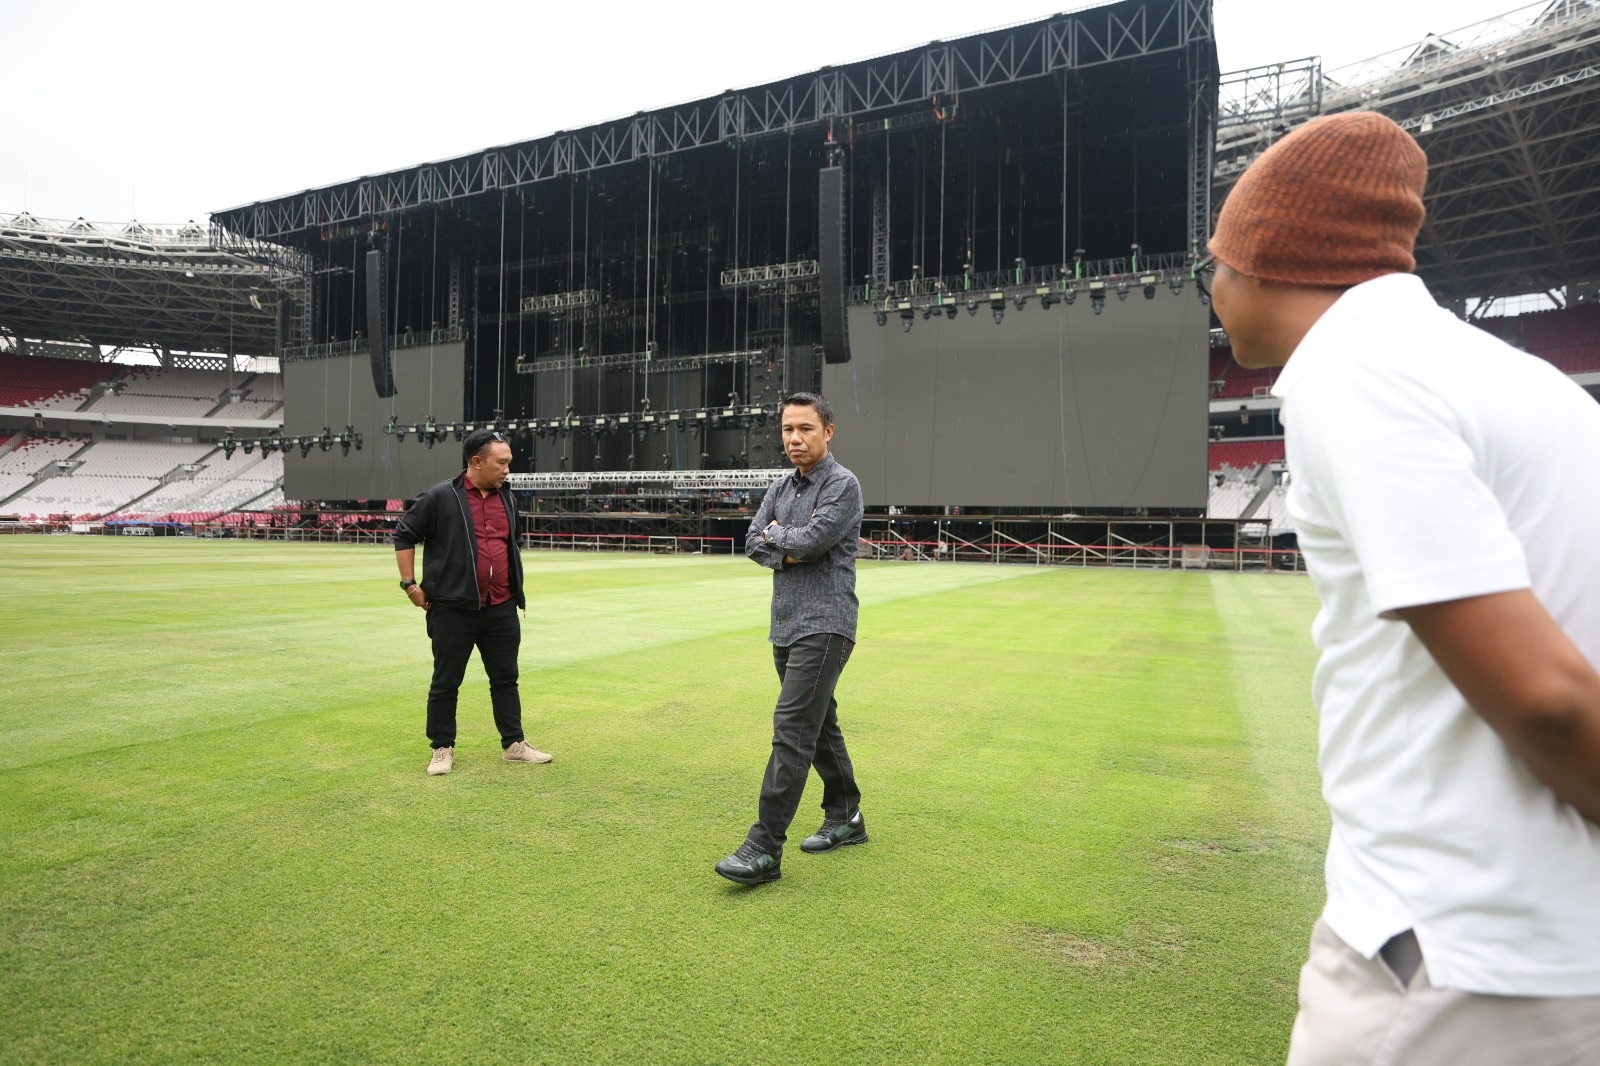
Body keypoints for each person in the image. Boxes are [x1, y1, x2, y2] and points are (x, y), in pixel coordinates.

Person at [1201, 111, 1600, 1064]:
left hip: (1450, 953)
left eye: (1215, 263)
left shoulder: (1357, 375)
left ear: (1266, 258)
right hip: (1548, 939)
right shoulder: (1527, 381)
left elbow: (1546, 699)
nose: (1211, 290)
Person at [714, 392, 868, 885]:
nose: (794, 439)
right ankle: (847, 815)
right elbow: (752, 541)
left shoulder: (842, 484)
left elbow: (811, 541)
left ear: (828, 431)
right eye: (787, 430)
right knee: (819, 726)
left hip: (827, 624)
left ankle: (764, 847)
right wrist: (784, 540)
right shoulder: (781, 486)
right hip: (786, 624)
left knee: (792, 729)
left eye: (805, 428)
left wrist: (781, 538)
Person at [393, 428, 553, 776]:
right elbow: (404, 533)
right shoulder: (439, 496)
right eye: (502, 463)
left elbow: (509, 545)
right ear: (477, 461)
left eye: (509, 463)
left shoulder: (509, 498)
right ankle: (441, 749)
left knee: (506, 678)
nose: (508, 469)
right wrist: (409, 585)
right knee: (446, 681)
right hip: (452, 609)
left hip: (501, 606)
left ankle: (514, 744)